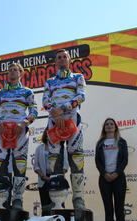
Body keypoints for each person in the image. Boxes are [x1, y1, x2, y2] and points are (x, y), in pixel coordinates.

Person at [42, 49, 86, 212]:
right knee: (54, 158)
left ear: (69, 60)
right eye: (58, 58)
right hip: (54, 121)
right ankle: (57, 200)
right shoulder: (50, 81)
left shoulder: (77, 77)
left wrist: (63, 108)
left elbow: (81, 96)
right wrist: (55, 112)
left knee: (76, 156)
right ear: (55, 62)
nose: (61, 59)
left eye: (64, 57)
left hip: (73, 119)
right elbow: (45, 100)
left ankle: (78, 197)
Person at [0, 62, 38, 209]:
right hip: (2, 130)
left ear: (20, 73)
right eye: (10, 70)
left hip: (19, 131)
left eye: (15, 70)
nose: (12, 72)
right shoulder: (0, 93)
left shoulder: (27, 92)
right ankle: (1, 199)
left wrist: (24, 123)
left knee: (20, 164)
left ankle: (18, 199)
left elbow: (34, 112)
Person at [95, 118, 128, 221]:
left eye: (111, 124)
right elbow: (97, 161)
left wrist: (116, 173)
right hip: (104, 179)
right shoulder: (100, 143)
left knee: (119, 210)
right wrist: (105, 173)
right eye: (107, 124)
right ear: (104, 128)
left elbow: (125, 160)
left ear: (115, 127)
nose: (109, 126)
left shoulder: (122, 142)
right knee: (108, 210)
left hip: (119, 178)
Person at [33, 129, 68, 215]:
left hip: (57, 180)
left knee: (58, 206)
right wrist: (43, 176)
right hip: (43, 180)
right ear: (45, 134)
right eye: (48, 132)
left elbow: (65, 165)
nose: (50, 134)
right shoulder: (39, 148)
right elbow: (36, 166)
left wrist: (58, 178)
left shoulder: (60, 147)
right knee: (45, 207)